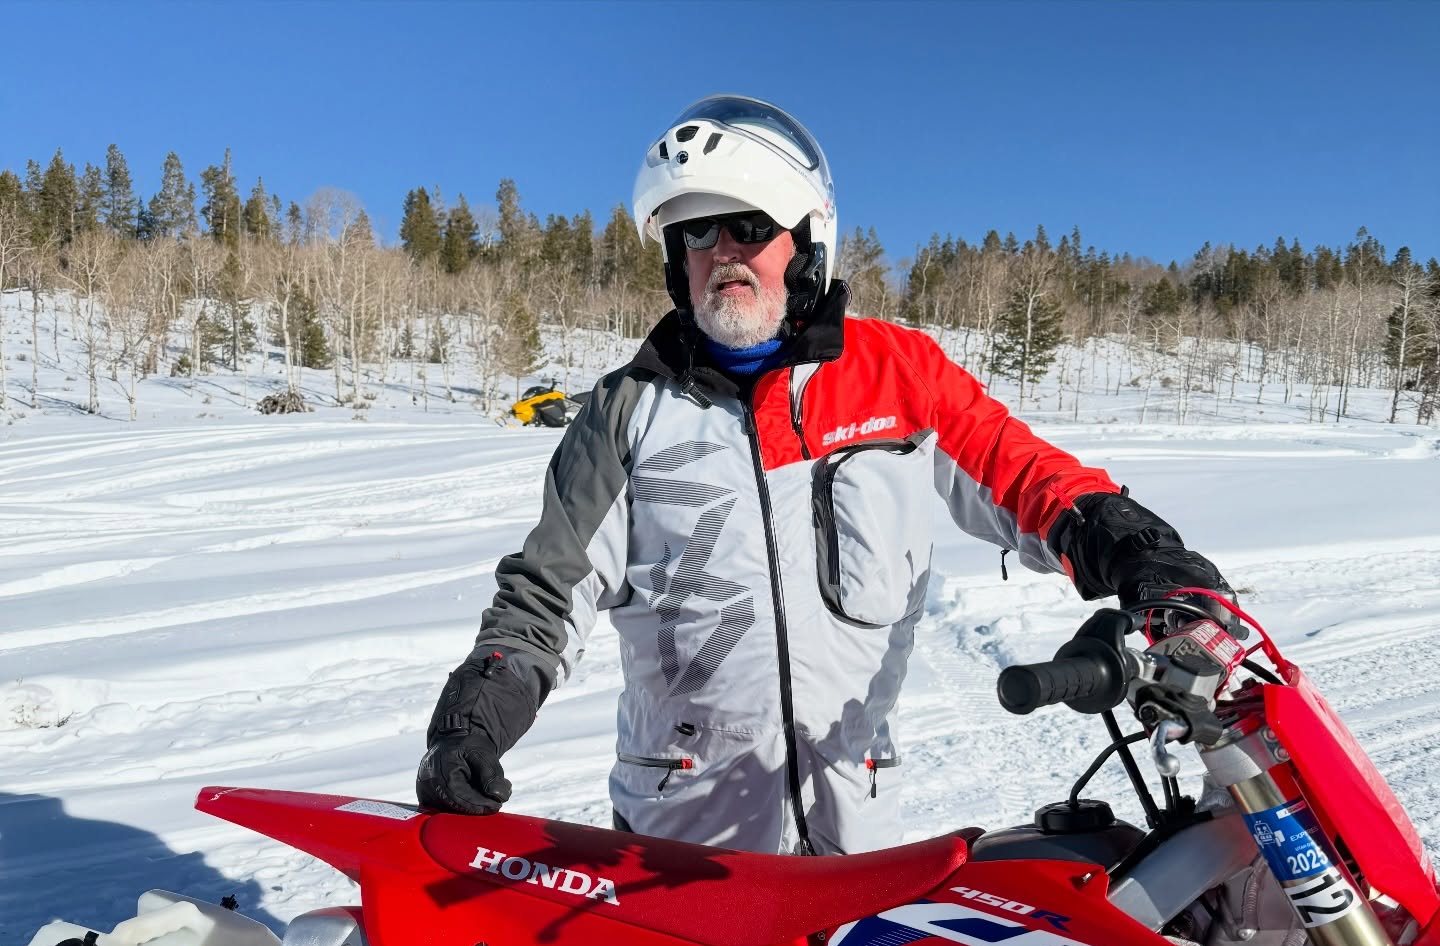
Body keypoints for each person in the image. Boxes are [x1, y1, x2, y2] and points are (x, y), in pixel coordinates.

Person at [416, 95, 1233, 855]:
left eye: (744, 225)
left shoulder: (899, 376)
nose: (720, 253)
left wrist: (1133, 547)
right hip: (680, 844)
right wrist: (477, 713)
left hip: (859, 831)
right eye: (695, 234)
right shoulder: (624, 412)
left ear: (806, 241)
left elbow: (1023, 474)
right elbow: (546, 591)